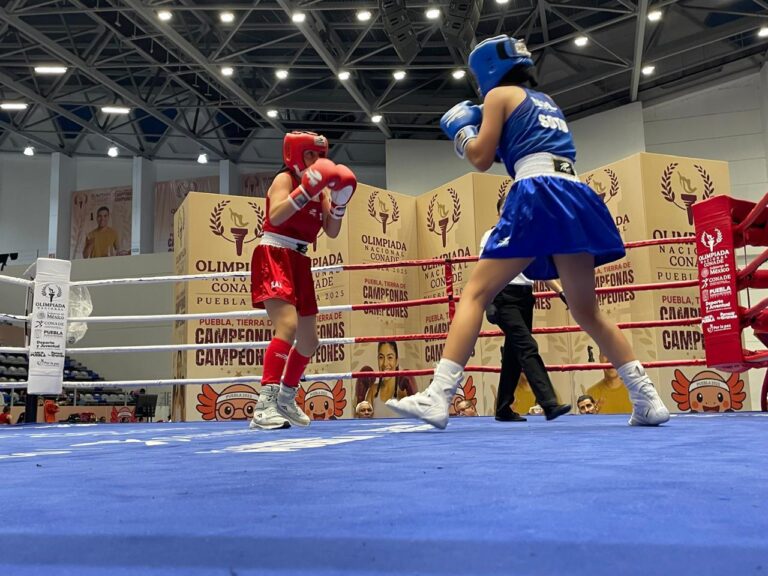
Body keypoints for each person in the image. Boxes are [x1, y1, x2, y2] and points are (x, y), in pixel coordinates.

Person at [387, 34, 669, 429]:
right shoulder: (547, 103)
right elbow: (518, 150)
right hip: (575, 192)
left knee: (476, 292)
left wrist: (463, 134)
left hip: (537, 191)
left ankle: (438, 396)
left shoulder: (500, 96)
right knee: (587, 310)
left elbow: (482, 159)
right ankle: (648, 399)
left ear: (487, 70)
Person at [250, 131, 357, 430]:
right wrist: (306, 189)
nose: (317, 160)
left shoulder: (321, 188)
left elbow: (331, 231)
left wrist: (339, 203)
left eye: (321, 155)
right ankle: (263, 406)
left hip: (300, 258)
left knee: (309, 341)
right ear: (296, 155)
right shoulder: (285, 180)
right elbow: (278, 213)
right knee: (287, 326)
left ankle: (285, 398)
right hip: (275, 251)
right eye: (311, 154)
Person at [482, 191, 571, 422]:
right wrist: (488, 301)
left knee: (514, 354)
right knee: (527, 346)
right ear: (499, 212)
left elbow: (539, 268)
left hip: (525, 297)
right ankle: (548, 402)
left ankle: (502, 408)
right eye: (504, 208)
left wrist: (561, 291)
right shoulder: (491, 235)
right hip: (503, 295)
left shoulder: (527, 236)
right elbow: (485, 270)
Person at [356, 341, 417, 419]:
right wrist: (359, 402)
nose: (385, 363)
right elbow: (363, 425)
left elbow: (418, 419)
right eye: (381, 357)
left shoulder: (403, 392)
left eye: (390, 357)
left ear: (397, 361)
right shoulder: (372, 391)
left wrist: (412, 393)